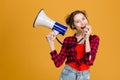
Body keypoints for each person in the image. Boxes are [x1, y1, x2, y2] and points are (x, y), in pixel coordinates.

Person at [46, 10, 100, 80]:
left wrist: (87, 38)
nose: (82, 22)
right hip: (68, 74)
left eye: (83, 19)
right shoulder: (68, 40)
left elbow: (89, 61)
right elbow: (58, 63)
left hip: (84, 76)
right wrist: (51, 43)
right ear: (73, 25)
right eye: (78, 21)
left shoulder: (94, 39)